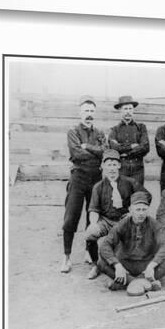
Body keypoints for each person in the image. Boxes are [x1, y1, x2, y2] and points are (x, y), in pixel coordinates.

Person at [60, 95, 107, 273]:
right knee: (71, 217)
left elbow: (105, 152)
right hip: (78, 177)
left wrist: (88, 146)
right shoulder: (72, 131)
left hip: (96, 177)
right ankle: (66, 257)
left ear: (95, 113)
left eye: (91, 111)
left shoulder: (100, 133)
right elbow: (76, 154)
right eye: (86, 111)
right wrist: (92, 151)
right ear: (80, 113)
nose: (89, 114)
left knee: (92, 217)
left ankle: (89, 251)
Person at [85, 149, 147, 279]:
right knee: (90, 233)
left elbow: (146, 196)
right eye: (109, 164)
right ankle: (96, 265)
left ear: (119, 166)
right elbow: (93, 209)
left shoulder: (129, 182)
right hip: (106, 220)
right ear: (103, 166)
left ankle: (129, 265)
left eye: (114, 164)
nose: (112, 168)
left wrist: (134, 210)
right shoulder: (98, 187)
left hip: (124, 219)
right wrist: (93, 224)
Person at [98, 191, 165, 291]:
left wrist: (152, 265)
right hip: (126, 263)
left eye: (144, 209)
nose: (141, 213)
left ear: (148, 210)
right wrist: (117, 265)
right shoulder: (122, 224)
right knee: (101, 262)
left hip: (146, 264)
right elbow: (105, 245)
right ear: (130, 210)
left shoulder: (155, 225)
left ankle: (125, 283)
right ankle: (143, 283)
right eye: (138, 209)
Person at [108, 95, 150, 185]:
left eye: (130, 109)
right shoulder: (114, 130)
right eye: (125, 109)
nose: (128, 112)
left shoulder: (141, 127)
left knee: (137, 195)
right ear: (120, 110)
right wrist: (131, 146)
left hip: (138, 169)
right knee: (123, 195)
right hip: (122, 169)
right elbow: (113, 148)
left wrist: (125, 152)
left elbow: (145, 147)